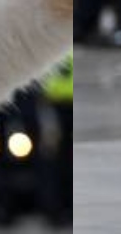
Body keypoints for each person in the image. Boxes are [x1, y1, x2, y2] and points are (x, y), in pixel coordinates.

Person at [38, 52, 72, 226]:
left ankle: (64, 208)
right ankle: (55, 209)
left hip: (64, 103)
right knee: (55, 160)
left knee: (65, 160)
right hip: (55, 103)